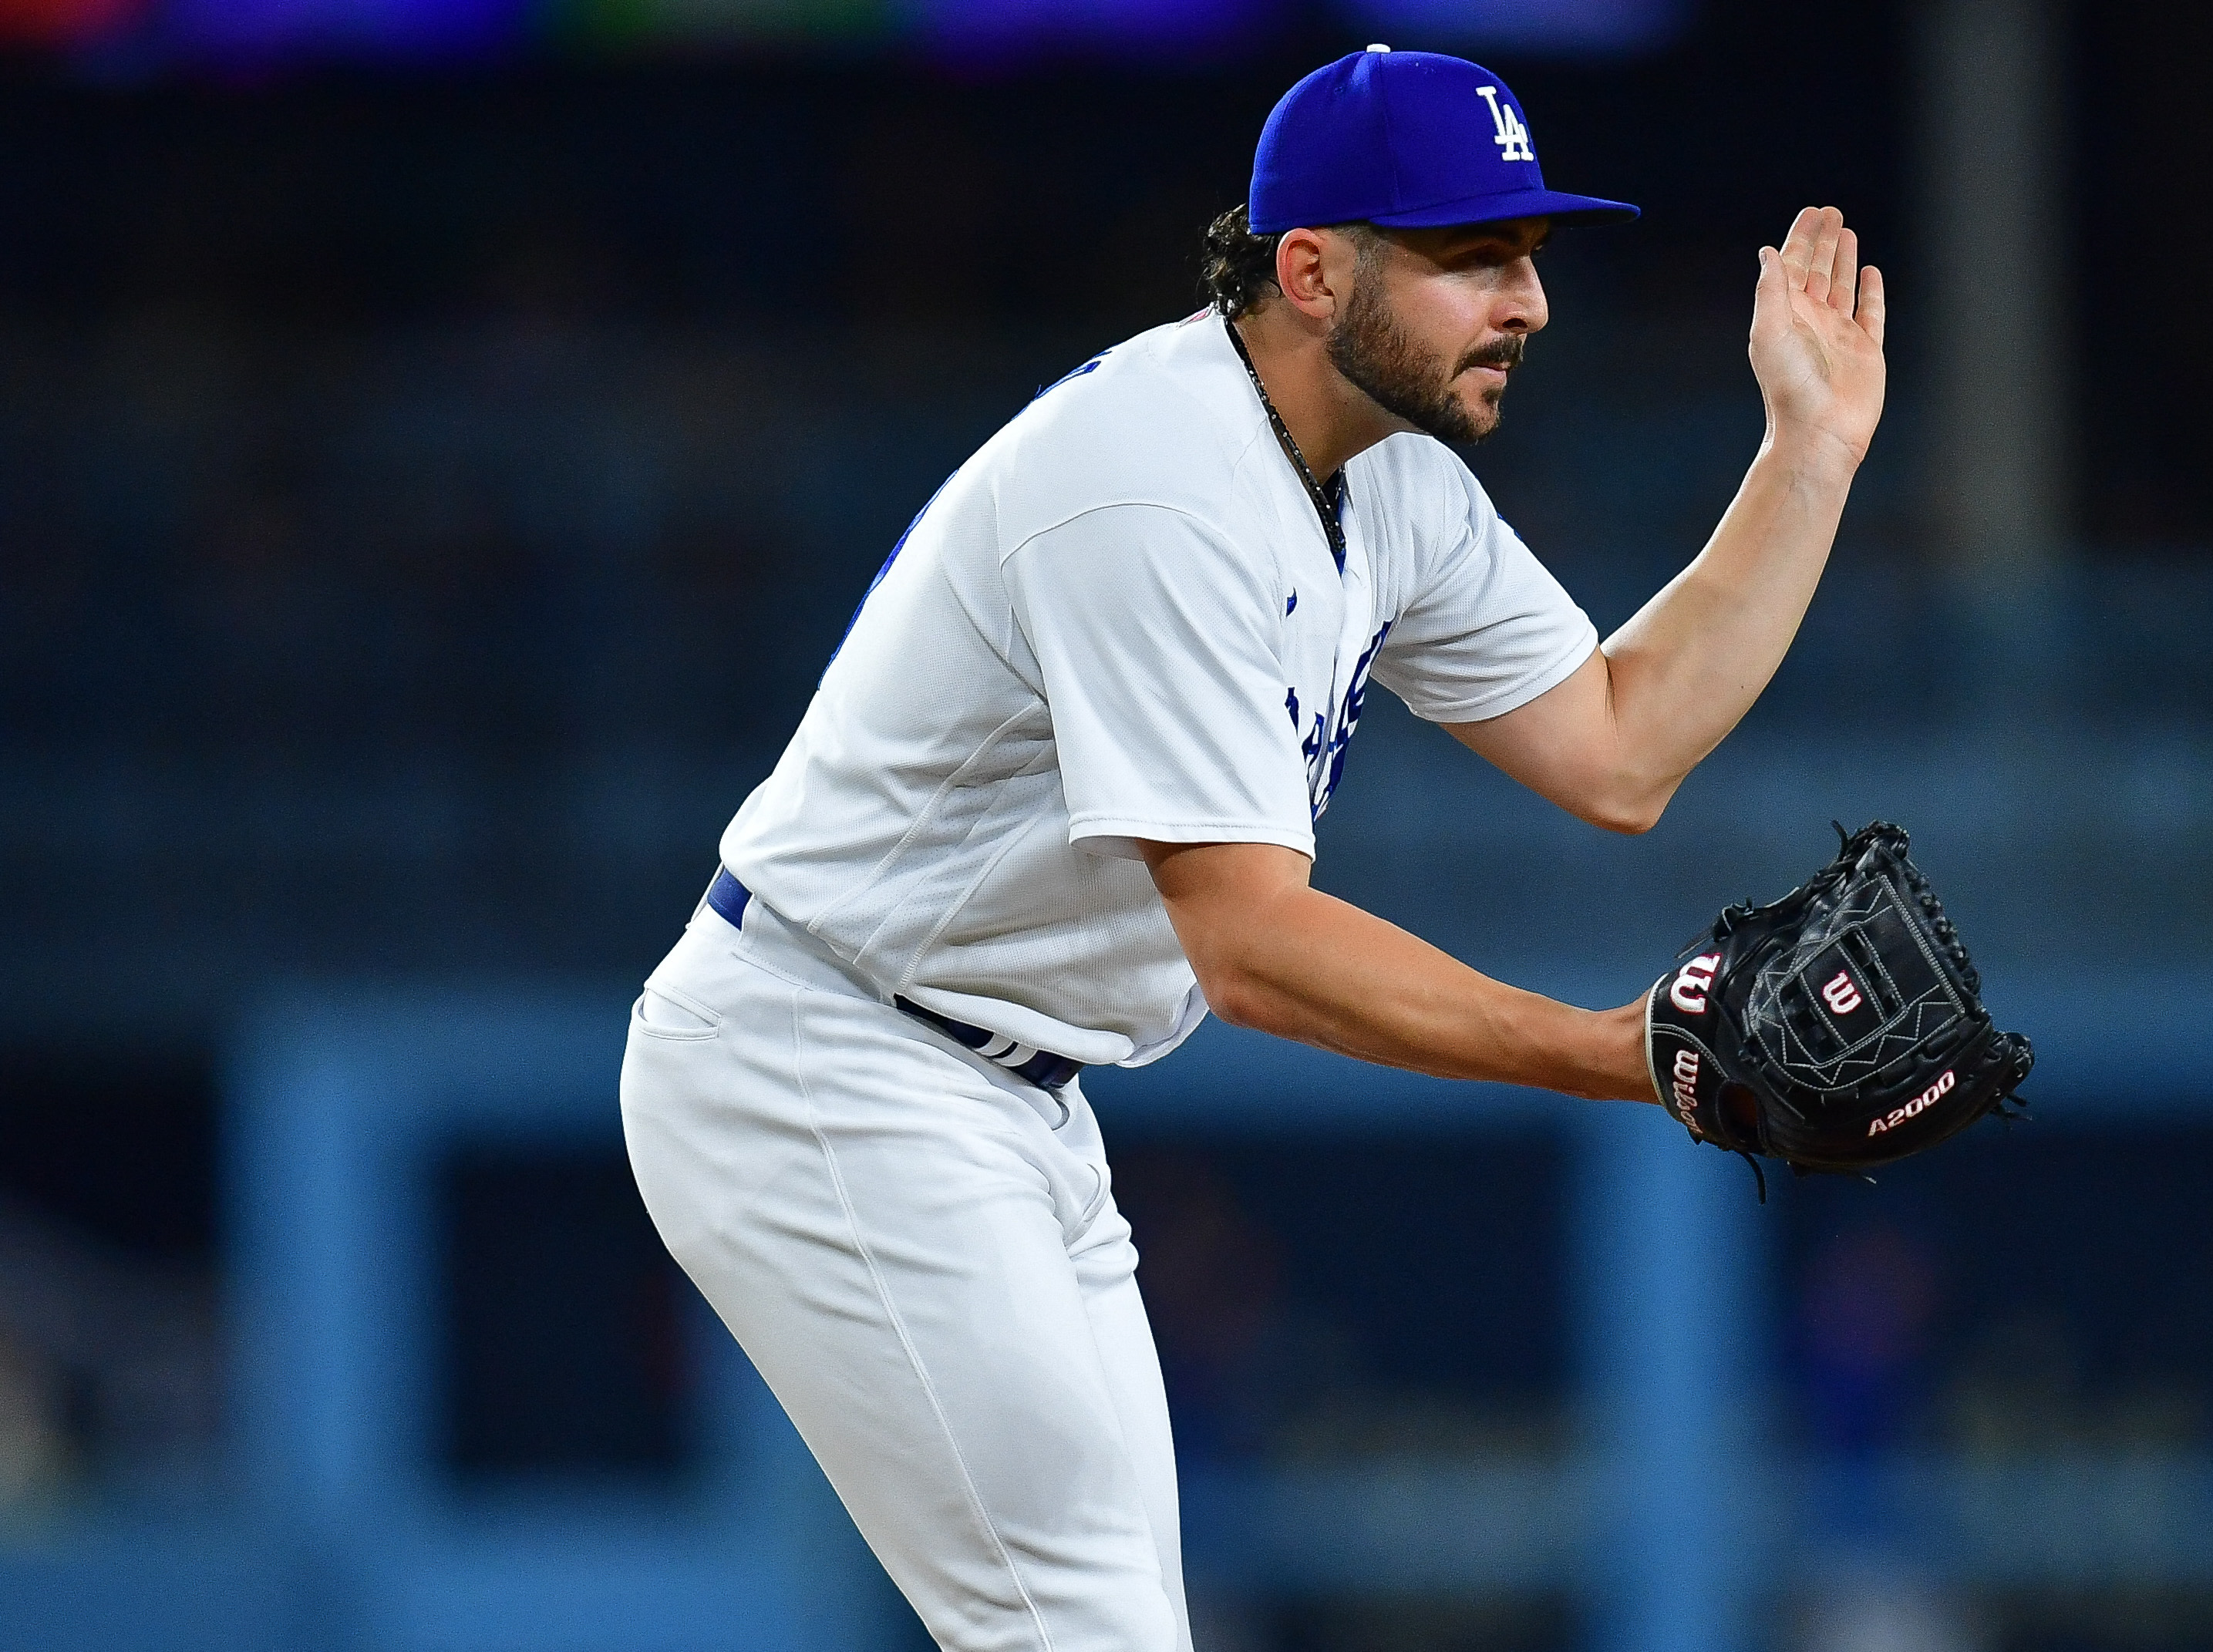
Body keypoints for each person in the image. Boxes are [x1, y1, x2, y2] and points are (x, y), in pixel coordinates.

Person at [619, 44, 1886, 1652]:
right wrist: (1610, 1051)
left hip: (999, 1092)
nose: (1526, 301)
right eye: (1470, 256)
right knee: (1074, 1633)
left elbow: (1619, 745)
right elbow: (1251, 947)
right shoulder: (1154, 485)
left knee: (1108, 1626)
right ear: (1309, 269)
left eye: (1532, 255)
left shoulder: (1390, 478)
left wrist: (1807, 457)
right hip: (825, 1065)